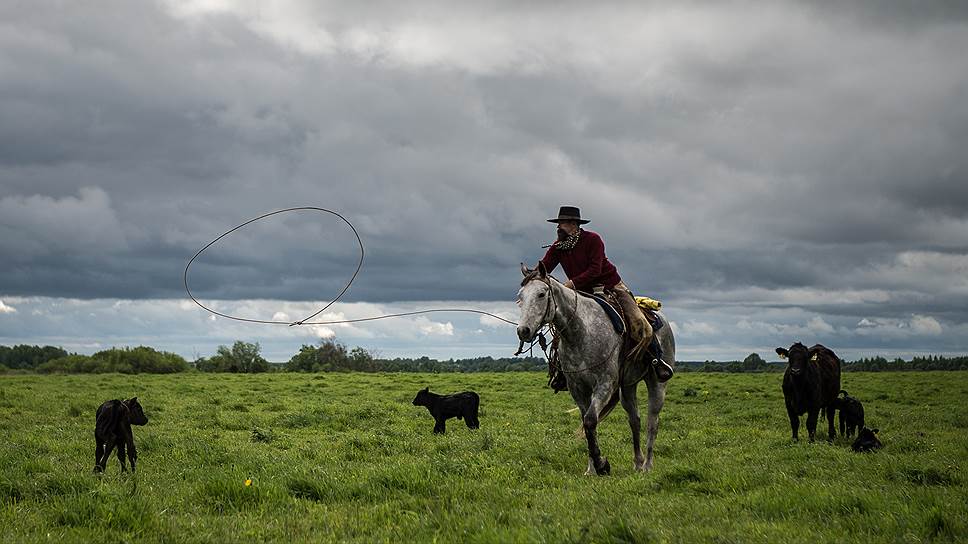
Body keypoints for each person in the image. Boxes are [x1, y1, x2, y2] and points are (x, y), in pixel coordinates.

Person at [538, 206, 673, 382]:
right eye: (558, 224)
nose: (558, 228)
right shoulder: (558, 247)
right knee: (562, 329)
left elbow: (596, 270)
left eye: (561, 223)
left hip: (611, 287)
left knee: (637, 320)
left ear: (573, 224)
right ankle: (564, 372)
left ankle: (656, 360)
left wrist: (572, 283)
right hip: (580, 293)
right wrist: (533, 280)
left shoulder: (593, 240)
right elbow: (544, 268)